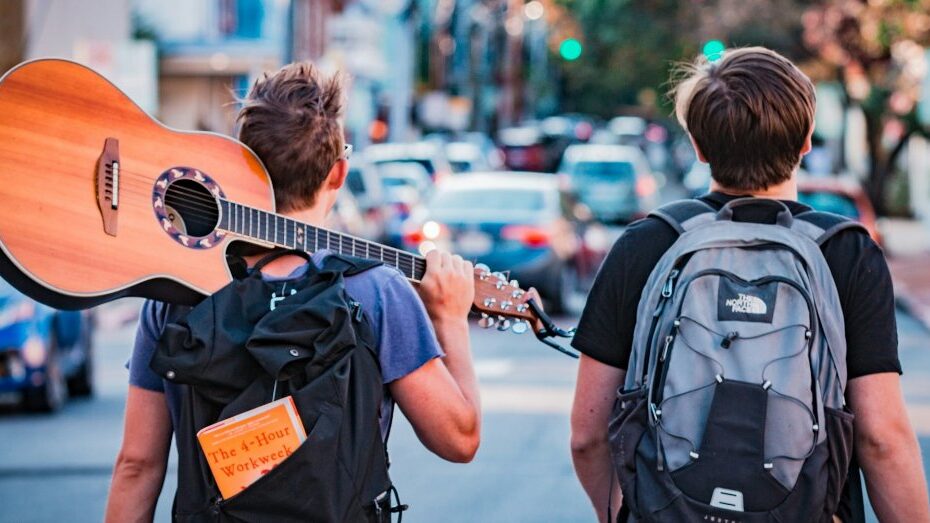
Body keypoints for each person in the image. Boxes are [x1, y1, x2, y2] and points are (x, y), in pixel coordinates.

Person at [105, 62, 481, 521]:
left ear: (240, 164)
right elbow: (459, 440)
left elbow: (138, 464)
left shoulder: (177, 291)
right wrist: (450, 320)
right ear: (338, 173)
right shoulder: (375, 290)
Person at [569, 47, 930, 522]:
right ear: (805, 141)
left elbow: (588, 435)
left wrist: (626, 513)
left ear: (698, 147)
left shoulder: (647, 244)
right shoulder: (845, 252)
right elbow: (882, 438)